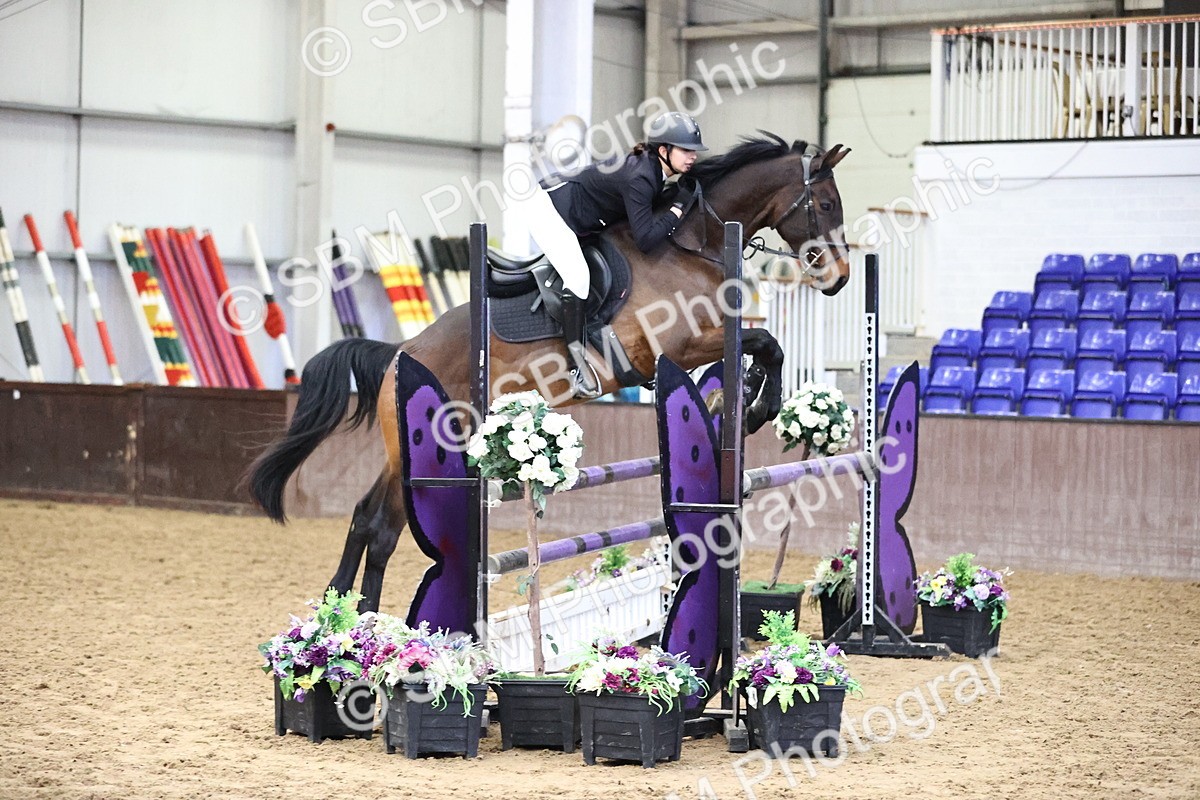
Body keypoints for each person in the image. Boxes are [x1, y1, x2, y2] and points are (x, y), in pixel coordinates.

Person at [516, 111, 708, 398]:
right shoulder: (641, 176)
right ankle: (575, 368)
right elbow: (645, 239)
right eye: (686, 150)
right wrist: (678, 208)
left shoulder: (654, 172)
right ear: (664, 150)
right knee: (579, 280)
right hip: (549, 211)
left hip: (582, 218)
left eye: (694, 151)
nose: (692, 156)